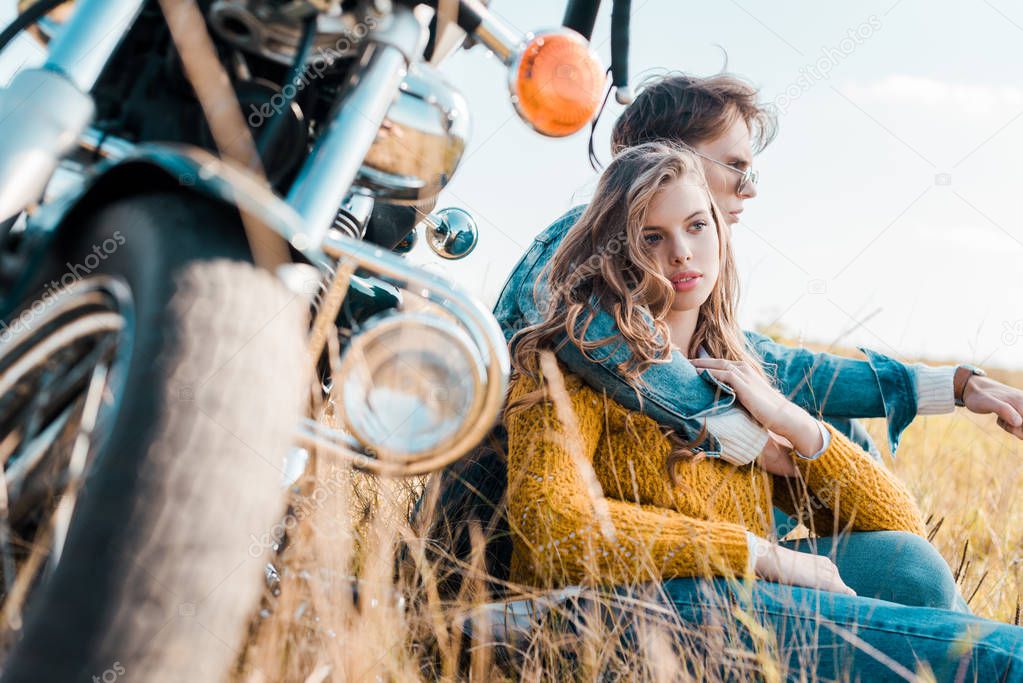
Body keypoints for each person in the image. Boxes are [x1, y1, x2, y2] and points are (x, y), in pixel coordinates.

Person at [411, 72, 1023, 600]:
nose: (750, 188)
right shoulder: (578, 262)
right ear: (662, 159)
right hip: (500, 565)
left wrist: (952, 385)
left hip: (689, 551)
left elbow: (782, 368)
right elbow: (593, 346)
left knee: (853, 464)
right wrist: (727, 427)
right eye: (734, 166)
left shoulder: (696, 325)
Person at [501, 142, 1023, 680]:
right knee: (1000, 661)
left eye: (697, 226)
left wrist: (788, 420)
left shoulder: (738, 371)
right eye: (652, 237)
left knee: (910, 567)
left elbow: (898, 527)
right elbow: (552, 526)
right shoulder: (568, 360)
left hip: (736, 596)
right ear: (616, 251)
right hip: (616, 611)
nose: (681, 252)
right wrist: (762, 555)